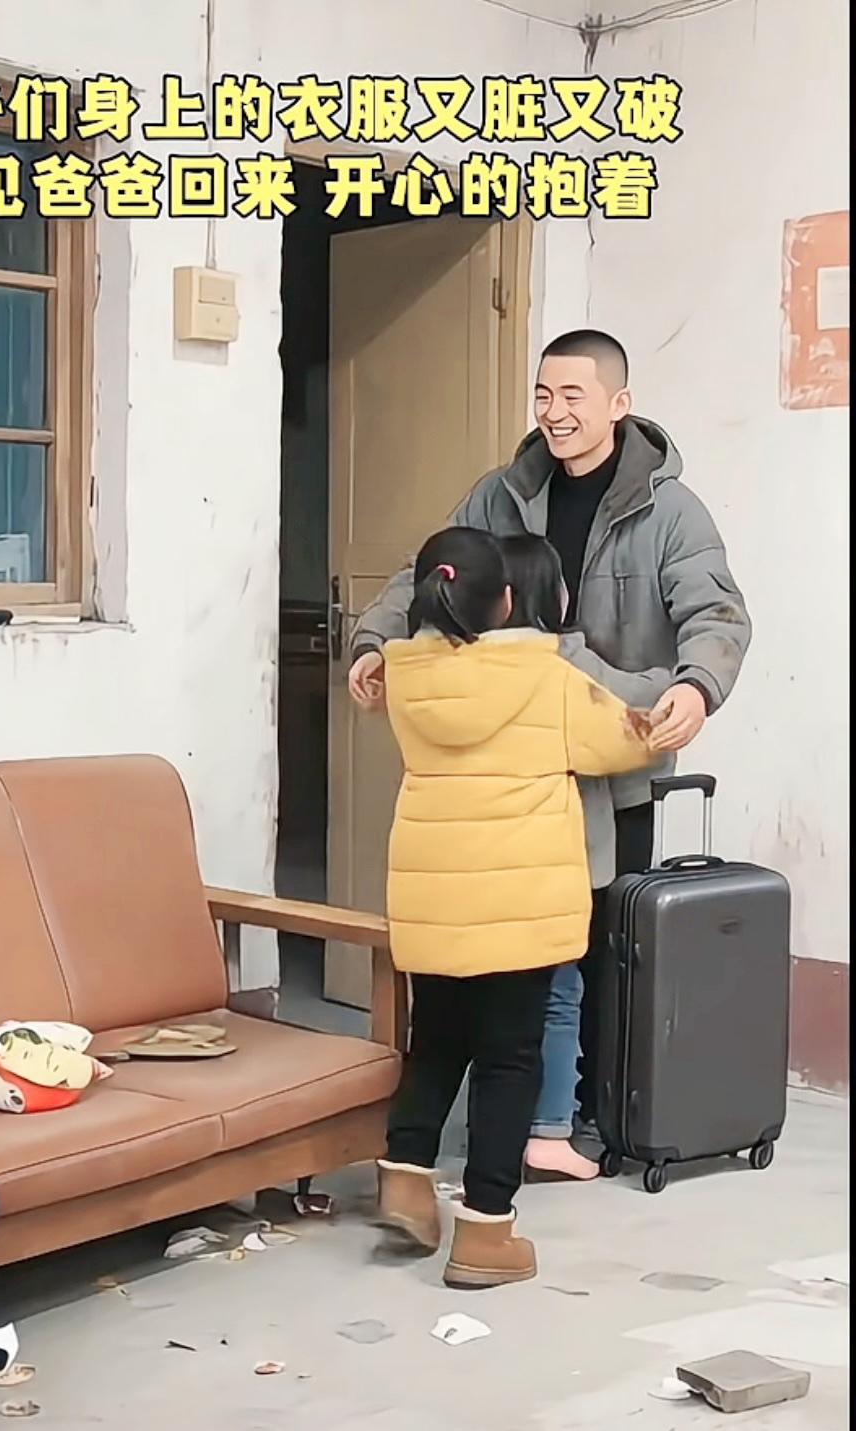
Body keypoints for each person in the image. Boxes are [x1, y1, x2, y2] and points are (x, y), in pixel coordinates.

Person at [350, 330, 751, 1159]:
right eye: (543, 394)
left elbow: (716, 612)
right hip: (515, 766)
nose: (555, 412)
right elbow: (425, 573)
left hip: (617, 761)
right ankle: (532, 1123)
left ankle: (589, 1113)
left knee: (602, 949)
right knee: (518, 955)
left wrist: (695, 686)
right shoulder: (501, 494)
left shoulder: (670, 511)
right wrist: (372, 642)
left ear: (618, 404)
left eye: (573, 395)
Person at [376, 526, 656, 1289]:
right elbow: (626, 741)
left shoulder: (404, 678)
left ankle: (405, 1180)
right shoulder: (547, 677)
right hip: (520, 909)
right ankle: (485, 1231)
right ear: (505, 601)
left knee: (436, 1040)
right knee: (509, 1061)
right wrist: (676, 702)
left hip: (435, 900)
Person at [499, 535, 673, 1181]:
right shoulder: (568, 665)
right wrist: (680, 684)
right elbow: (636, 721)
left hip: (486, 866)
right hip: (560, 864)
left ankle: (490, 1126)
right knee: (560, 991)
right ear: (557, 596)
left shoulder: (461, 667)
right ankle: (548, 1130)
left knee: (487, 997)